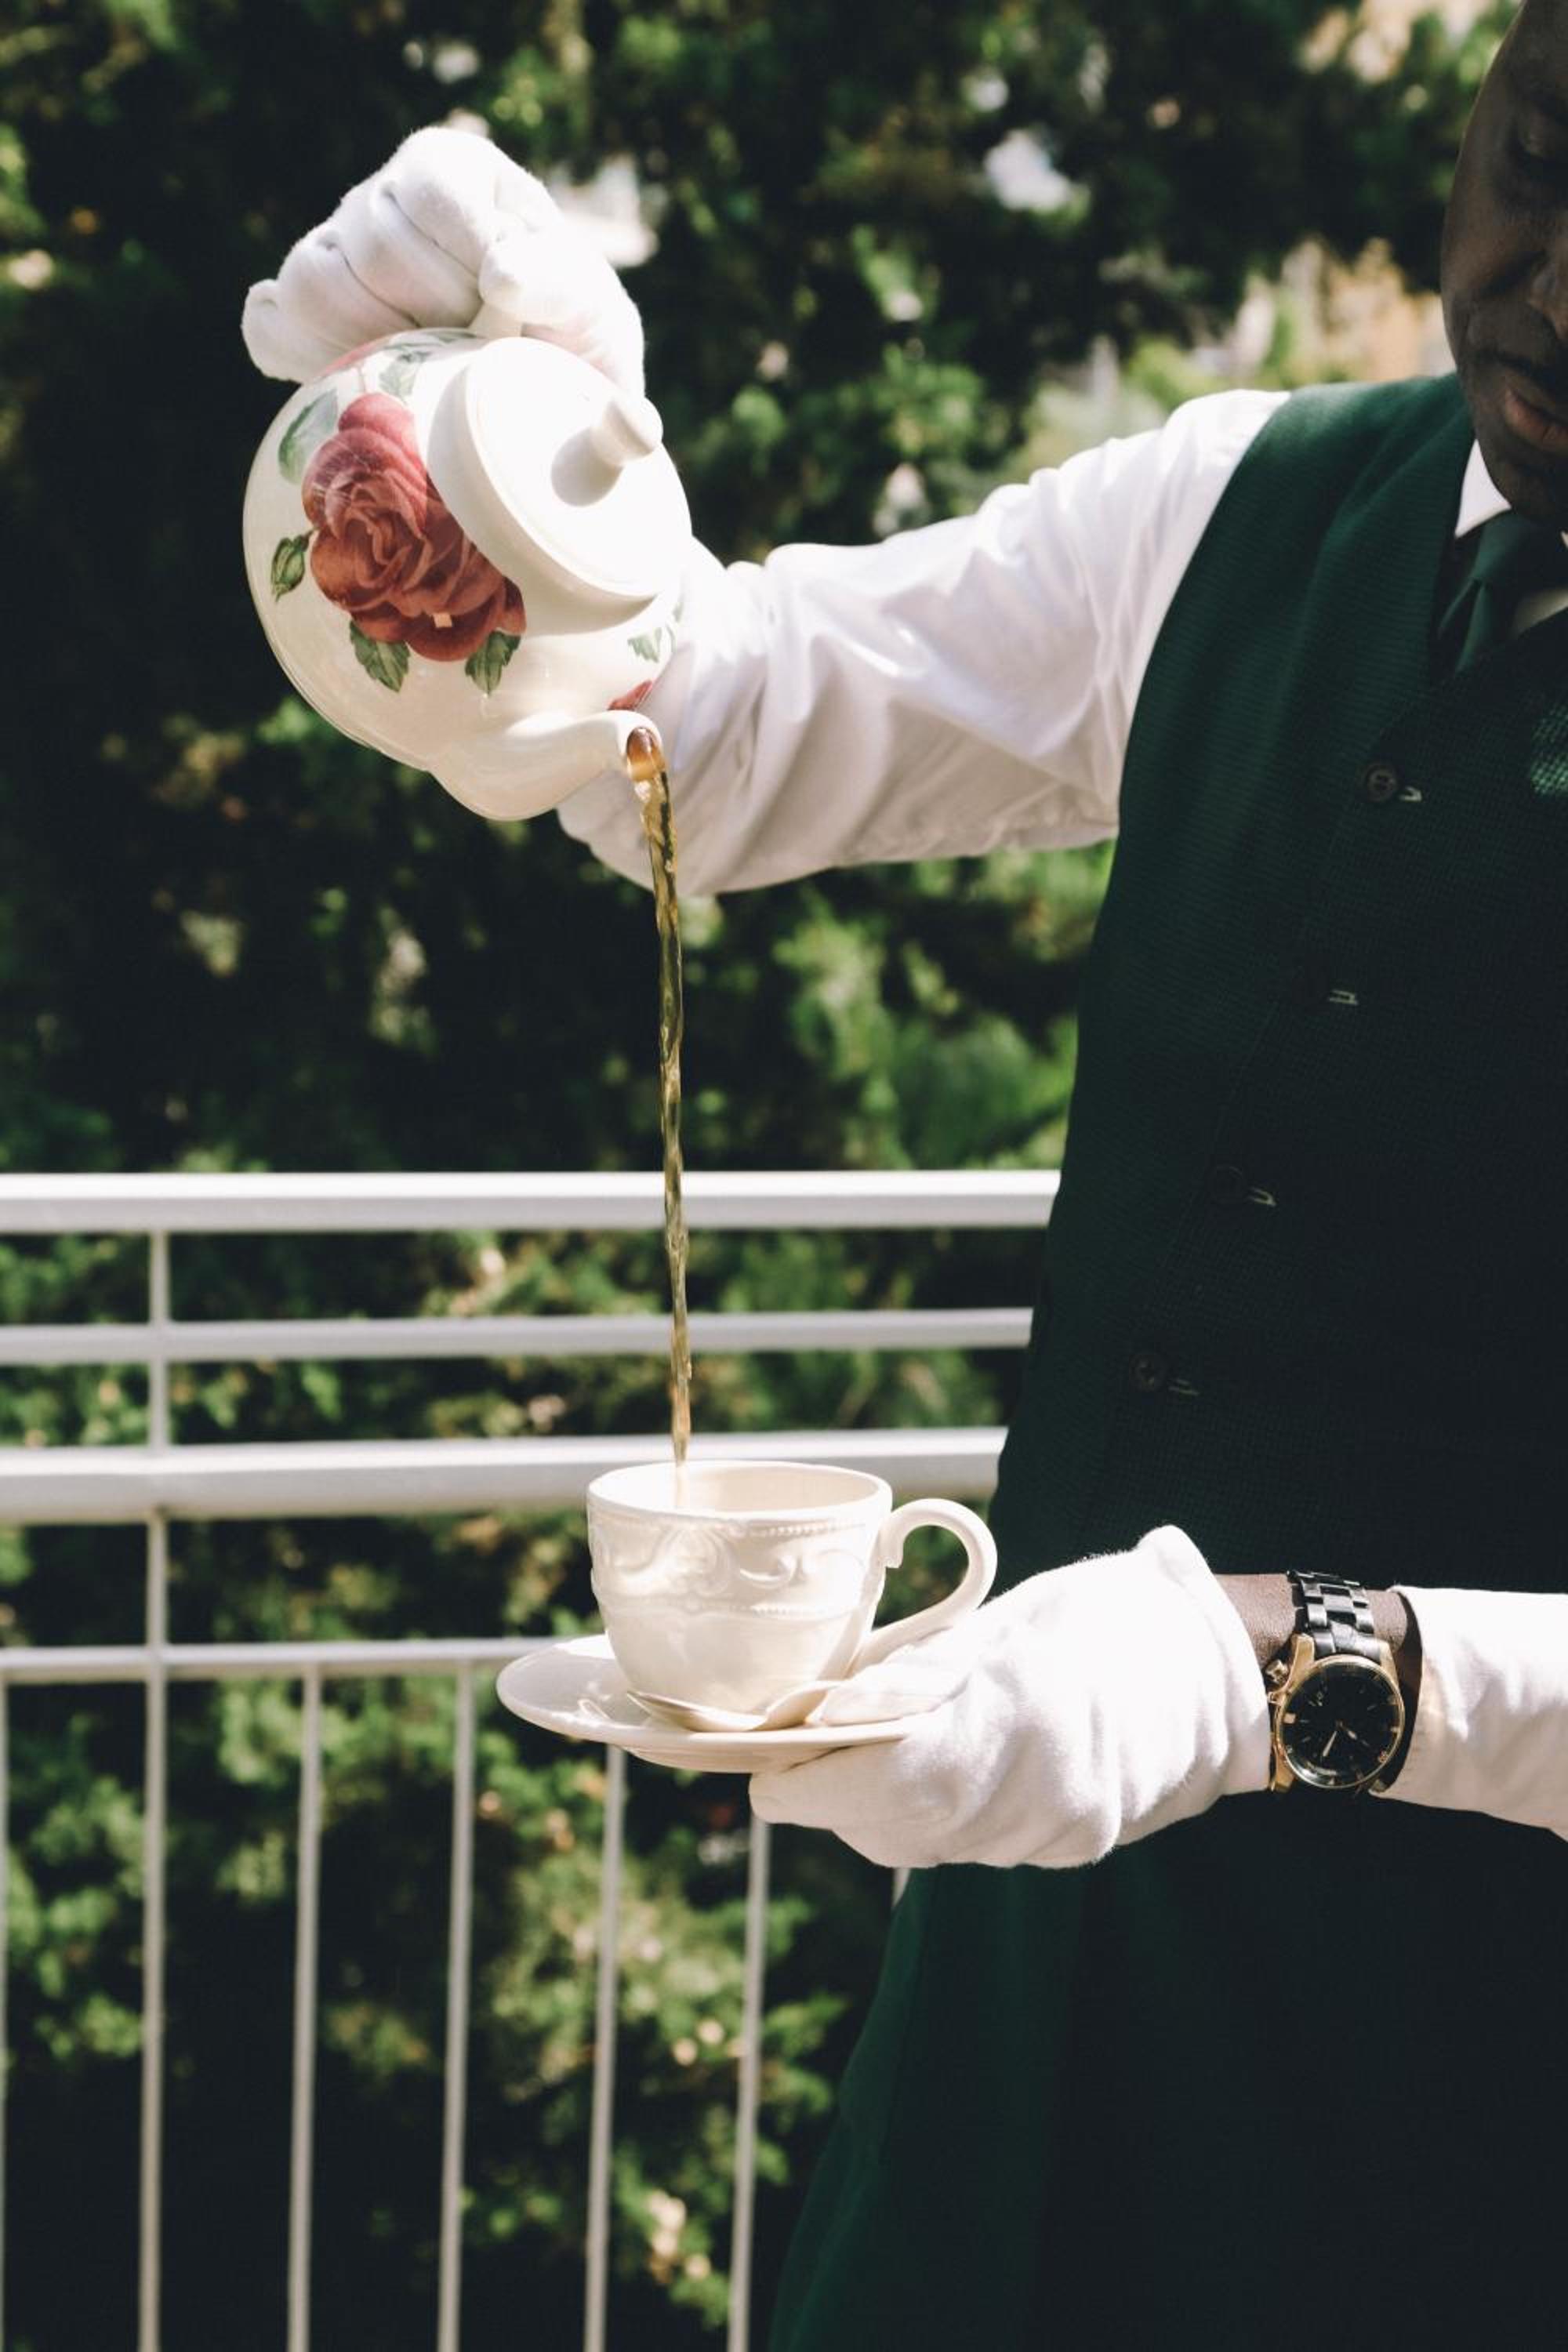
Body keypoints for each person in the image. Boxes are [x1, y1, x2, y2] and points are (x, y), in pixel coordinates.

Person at [245, 8, 1568, 2340]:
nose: (1555, 284)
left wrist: (1270, 1676)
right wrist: (536, 467)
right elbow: (714, 722)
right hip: (1038, 2008)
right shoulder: (1246, 506)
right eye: (1542, 162)